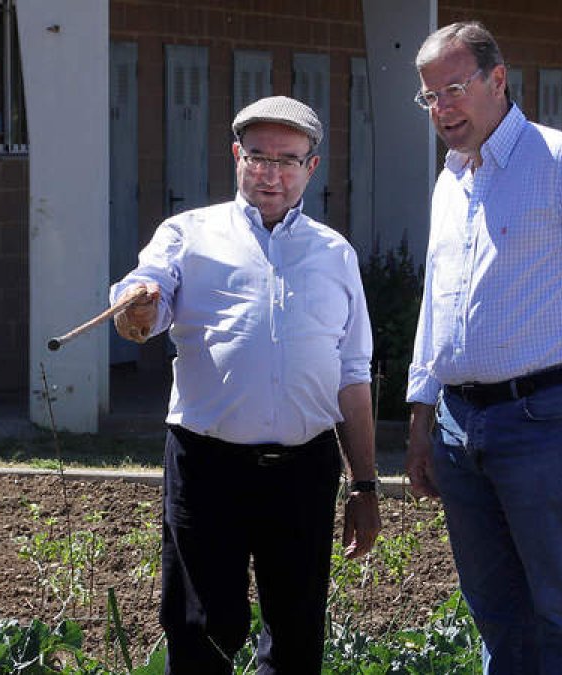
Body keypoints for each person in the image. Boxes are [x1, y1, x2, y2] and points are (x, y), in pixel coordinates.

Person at [404, 22, 562, 674]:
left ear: (497, 78)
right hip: (459, 426)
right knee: (496, 611)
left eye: (454, 89)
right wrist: (423, 419)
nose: (443, 108)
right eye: (429, 97)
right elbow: (437, 305)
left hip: (545, 421)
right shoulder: (449, 183)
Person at [109, 96, 381, 674]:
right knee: (201, 629)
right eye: (259, 156)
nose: (272, 173)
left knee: (297, 634)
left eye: (289, 160)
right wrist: (135, 306)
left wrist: (364, 485)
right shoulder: (188, 233)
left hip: (305, 468)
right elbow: (145, 296)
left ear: (312, 167)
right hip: (208, 466)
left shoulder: (335, 254)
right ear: (237, 156)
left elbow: (353, 376)